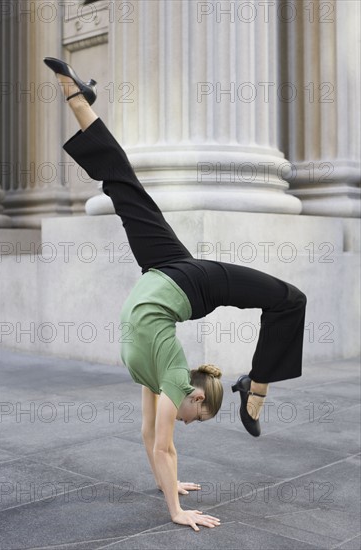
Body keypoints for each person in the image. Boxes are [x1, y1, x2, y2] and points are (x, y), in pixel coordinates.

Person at [43, 57, 307, 532]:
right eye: (197, 418)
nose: (188, 423)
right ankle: (257, 386)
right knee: (291, 299)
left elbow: (149, 437)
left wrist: (172, 483)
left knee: (123, 187)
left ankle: (78, 97)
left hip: (163, 268)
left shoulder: (154, 375)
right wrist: (176, 511)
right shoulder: (170, 373)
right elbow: (166, 446)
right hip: (197, 282)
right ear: (196, 398)